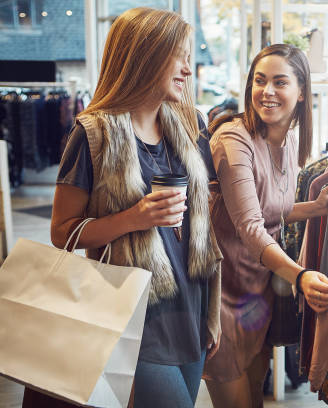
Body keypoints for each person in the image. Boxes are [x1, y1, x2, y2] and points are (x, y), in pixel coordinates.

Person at [25, 8, 222, 408]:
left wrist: (212, 312)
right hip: (132, 314)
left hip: (191, 308)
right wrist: (135, 218)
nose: (188, 68)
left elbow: (205, 230)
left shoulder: (191, 126)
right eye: (178, 55)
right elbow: (63, 232)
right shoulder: (94, 133)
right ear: (145, 56)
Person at [203, 43, 328, 407]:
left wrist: (317, 207)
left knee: (254, 399)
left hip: (256, 294)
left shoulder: (288, 143)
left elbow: (272, 209)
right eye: (259, 80)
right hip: (221, 296)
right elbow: (250, 225)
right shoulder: (234, 139)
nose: (267, 91)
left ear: (300, 92)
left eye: (280, 82)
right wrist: (300, 275)